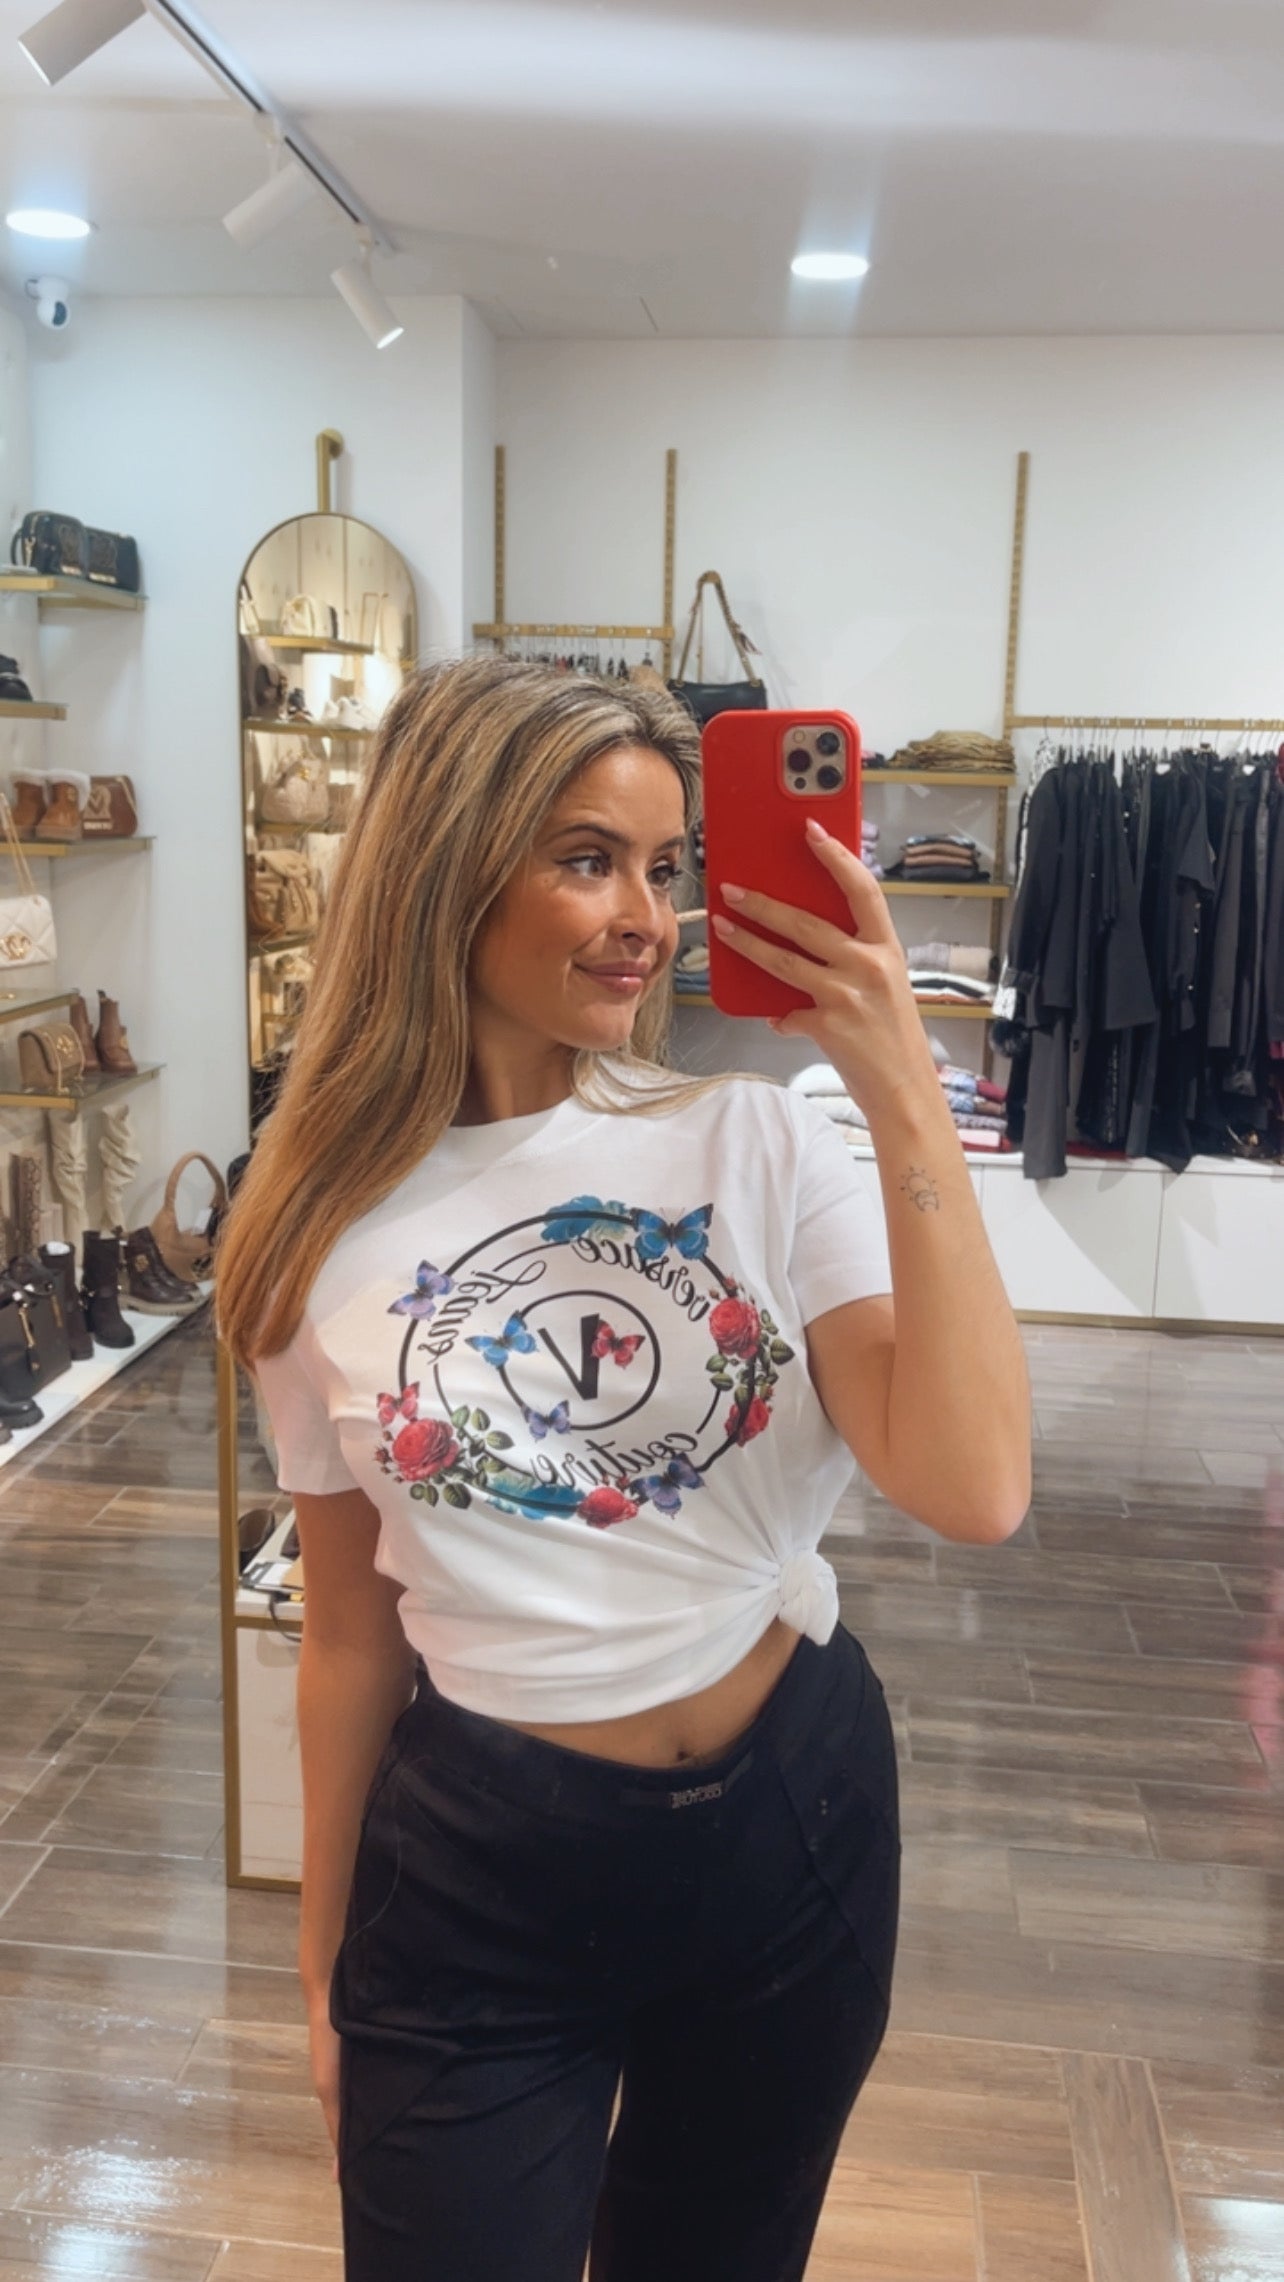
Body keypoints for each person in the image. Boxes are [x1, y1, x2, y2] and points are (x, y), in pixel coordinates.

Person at [217, 656, 1031, 2282]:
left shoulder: (757, 1140)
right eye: (588, 858)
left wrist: (902, 1093)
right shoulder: (313, 1226)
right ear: (449, 863)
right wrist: (320, 1973)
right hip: (481, 1875)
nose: (646, 919)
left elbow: (974, 1483)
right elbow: (350, 1639)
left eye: (667, 867)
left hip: (788, 1827)